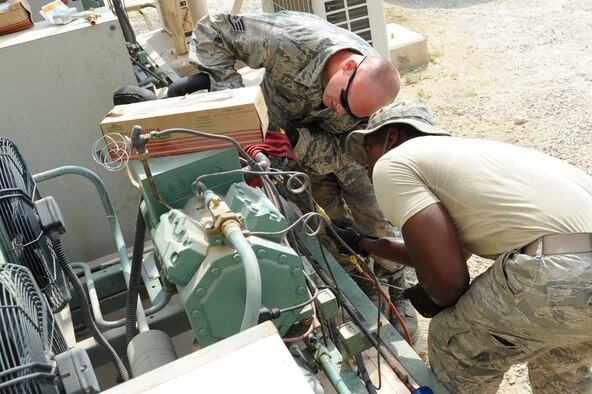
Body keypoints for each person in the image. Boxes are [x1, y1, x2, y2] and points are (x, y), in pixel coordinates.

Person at [186, 10, 418, 339]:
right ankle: (363, 287)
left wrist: (303, 143)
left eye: (349, 112)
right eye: (341, 101)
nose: (339, 110)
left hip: (343, 151)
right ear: (348, 66)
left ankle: (397, 287)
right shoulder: (289, 40)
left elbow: (354, 149)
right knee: (326, 226)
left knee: (376, 219)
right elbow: (214, 30)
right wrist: (237, 102)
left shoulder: (369, 101)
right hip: (287, 148)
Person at [332, 99, 592, 393]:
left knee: (452, 342)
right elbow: (447, 252)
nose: (366, 163)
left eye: (368, 149)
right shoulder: (473, 159)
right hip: (576, 276)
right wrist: (366, 244)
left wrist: (431, 296)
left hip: (562, 272)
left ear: (392, 136)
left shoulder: (394, 162)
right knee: (559, 359)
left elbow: (448, 281)